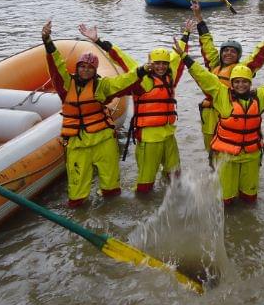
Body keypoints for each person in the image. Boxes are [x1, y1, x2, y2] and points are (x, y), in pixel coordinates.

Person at [172, 41, 264, 206]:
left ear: (250, 83)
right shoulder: (222, 96)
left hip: (251, 155)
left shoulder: (259, 97)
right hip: (227, 155)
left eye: (245, 81)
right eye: (237, 82)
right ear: (231, 84)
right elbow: (204, 77)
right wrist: (185, 57)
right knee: (226, 200)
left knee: (250, 199)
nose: (241, 85)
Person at [78, 23, 193, 193]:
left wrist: (186, 33)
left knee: (175, 175)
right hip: (149, 138)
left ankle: (172, 202)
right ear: (150, 62)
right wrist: (99, 41)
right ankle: (143, 205)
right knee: (146, 182)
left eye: (163, 64)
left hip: (169, 135)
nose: (160, 67)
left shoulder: (171, 75)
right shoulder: (142, 77)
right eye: (157, 63)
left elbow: (178, 56)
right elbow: (121, 56)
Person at [41, 20, 145, 207]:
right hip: (77, 144)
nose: (85, 70)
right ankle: (81, 216)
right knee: (77, 193)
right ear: (77, 68)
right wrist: (48, 41)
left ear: (95, 70)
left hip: (103, 141)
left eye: (89, 68)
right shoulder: (66, 84)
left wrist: (141, 70)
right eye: (82, 66)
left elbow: (122, 82)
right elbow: (56, 65)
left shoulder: (101, 86)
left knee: (111, 187)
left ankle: (110, 213)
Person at [191, 1, 264, 152]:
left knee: (229, 150)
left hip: (230, 113)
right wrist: (198, 16)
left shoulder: (242, 69)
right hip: (210, 115)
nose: (228, 53)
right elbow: (206, 43)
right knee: (211, 152)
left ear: (238, 55)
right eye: (225, 50)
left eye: (233, 51)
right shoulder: (214, 65)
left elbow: (258, 55)